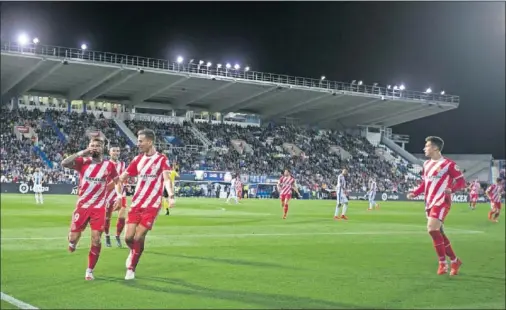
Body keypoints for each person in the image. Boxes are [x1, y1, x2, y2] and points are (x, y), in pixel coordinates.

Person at [61, 137, 123, 281]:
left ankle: (89, 270)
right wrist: (83, 152)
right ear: (89, 147)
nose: (95, 148)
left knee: (96, 239)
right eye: (92, 145)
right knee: (73, 238)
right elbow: (64, 163)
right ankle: (72, 243)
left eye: (97, 146)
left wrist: (119, 196)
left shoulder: (109, 166)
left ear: (103, 149)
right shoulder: (83, 162)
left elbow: (117, 181)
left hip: (99, 207)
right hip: (82, 206)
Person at [117, 129, 175, 280]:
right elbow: (123, 177)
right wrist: (117, 189)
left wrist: (171, 196)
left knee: (138, 237)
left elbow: (167, 179)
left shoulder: (162, 159)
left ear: (149, 142)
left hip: (152, 205)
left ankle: (131, 269)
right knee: (128, 239)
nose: (138, 144)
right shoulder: (137, 160)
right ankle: (134, 251)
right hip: (136, 204)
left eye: (141, 141)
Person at [407, 136, 466, 276]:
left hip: (442, 201)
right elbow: (425, 184)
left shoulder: (449, 164)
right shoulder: (426, 165)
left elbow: (461, 182)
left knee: (432, 229)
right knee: (439, 233)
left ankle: (442, 264)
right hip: (429, 202)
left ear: (435, 147)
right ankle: (455, 260)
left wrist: (452, 189)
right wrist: (415, 193)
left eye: (426, 146)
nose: (424, 148)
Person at [104, 145, 127, 248]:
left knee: (122, 215)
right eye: (114, 151)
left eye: (118, 151)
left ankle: (117, 236)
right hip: (108, 194)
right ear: (109, 152)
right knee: (107, 217)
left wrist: (124, 185)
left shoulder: (122, 164)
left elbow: (123, 178)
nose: (116, 153)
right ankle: (107, 236)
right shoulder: (105, 164)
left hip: (120, 193)